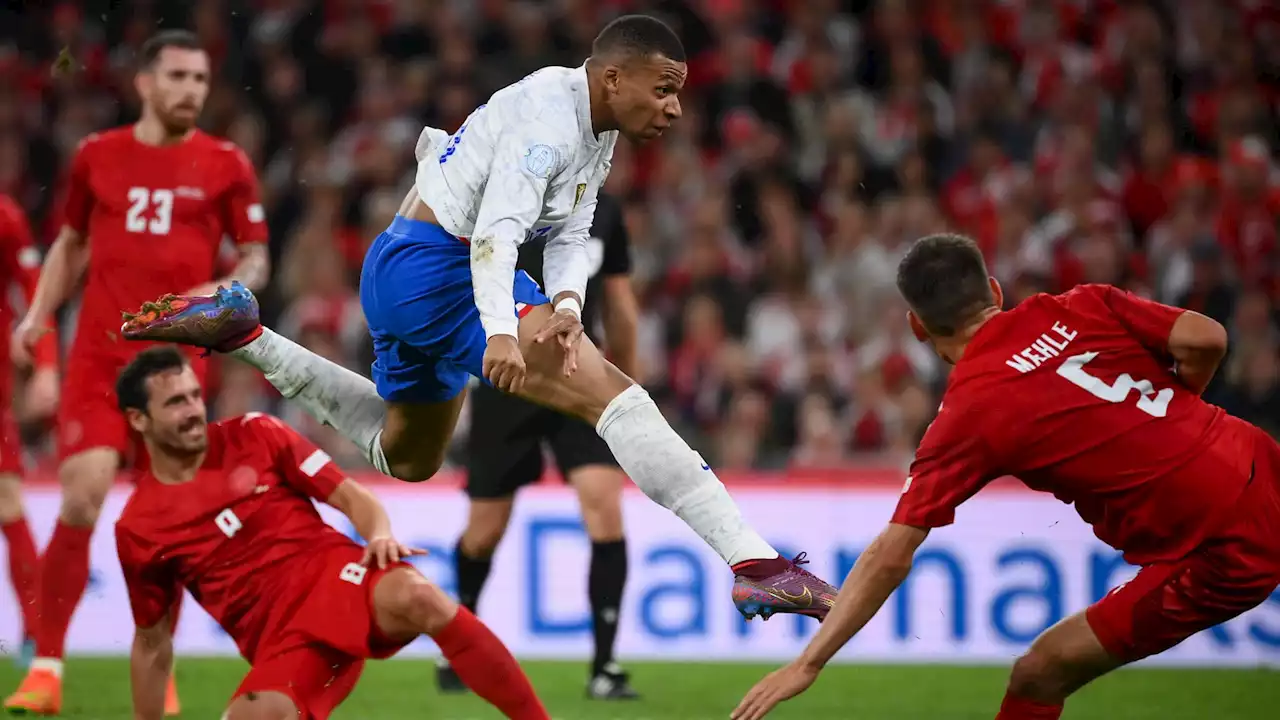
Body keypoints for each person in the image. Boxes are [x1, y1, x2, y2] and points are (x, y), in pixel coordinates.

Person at [120, 15, 837, 622]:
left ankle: (248, 334)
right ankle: (754, 561)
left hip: (407, 267)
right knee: (619, 398)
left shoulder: (595, 120)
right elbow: (496, 236)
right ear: (615, 77)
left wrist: (564, 307)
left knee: (406, 457)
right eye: (666, 90)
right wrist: (501, 331)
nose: (676, 109)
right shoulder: (549, 126)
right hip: (444, 270)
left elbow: (571, 232)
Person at [732, 233, 1280, 720]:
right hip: (1260, 458)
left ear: (917, 327)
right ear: (994, 290)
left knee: (1038, 675)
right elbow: (1206, 338)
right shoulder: (1083, 303)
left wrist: (809, 662)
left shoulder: (969, 413)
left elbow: (890, 555)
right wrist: (1182, 410)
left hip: (1220, 543)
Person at [5, 30, 270, 716]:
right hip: (99, 356)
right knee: (82, 495)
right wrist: (37, 315)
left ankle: (158, 664)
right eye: (179, 77)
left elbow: (255, 255)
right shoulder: (98, 157)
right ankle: (50, 666)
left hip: (176, 367)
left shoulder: (226, 164)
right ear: (145, 83)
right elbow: (70, 243)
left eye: (202, 80)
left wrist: (230, 293)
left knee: (166, 525)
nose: (192, 91)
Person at [110, 346, 550, 720]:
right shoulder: (139, 527)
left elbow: (352, 498)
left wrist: (378, 533)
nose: (193, 411)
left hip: (336, 579)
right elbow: (152, 643)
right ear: (138, 419)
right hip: (283, 643)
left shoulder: (255, 434)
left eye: (193, 396)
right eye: (175, 403)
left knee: (420, 596)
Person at [440, 191, 642, 699]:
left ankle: (605, 667)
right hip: (507, 379)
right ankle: (459, 643)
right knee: (483, 532)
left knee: (605, 508)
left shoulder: (606, 208)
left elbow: (619, 301)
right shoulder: (505, 195)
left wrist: (629, 389)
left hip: (580, 376)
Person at [0, 194, 58, 668]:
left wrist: (45, 366)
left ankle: (36, 637)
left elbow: (36, 292)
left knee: (7, 502)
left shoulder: (6, 217)